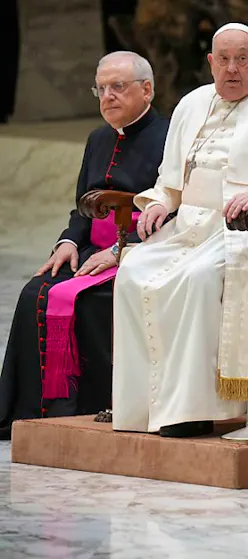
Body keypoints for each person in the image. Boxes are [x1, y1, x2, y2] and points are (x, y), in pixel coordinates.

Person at [110, 23, 248, 438]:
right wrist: (160, 202)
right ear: (211, 62)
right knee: (133, 270)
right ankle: (143, 408)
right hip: (190, 225)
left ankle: (192, 411)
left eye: (242, 60)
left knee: (197, 279)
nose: (233, 69)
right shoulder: (192, 103)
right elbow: (171, 179)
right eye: (224, 60)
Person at [0, 51, 168, 440]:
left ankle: (89, 408)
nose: (108, 96)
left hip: (142, 251)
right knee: (35, 292)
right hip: (94, 254)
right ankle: (32, 413)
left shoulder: (168, 136)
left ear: (146, 90)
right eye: (101, 89)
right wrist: (68, 241)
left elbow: (171, 208)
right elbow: (83, 206)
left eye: (118, 87)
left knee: (90, 302)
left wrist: (121, 250)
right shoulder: (98, 138)